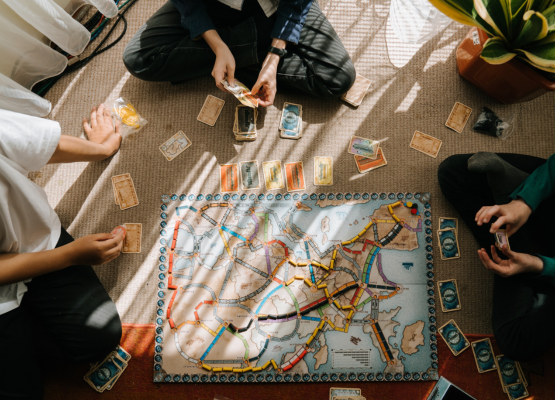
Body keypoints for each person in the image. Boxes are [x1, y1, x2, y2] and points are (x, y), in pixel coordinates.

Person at [0, 105, 125, 399]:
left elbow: (38, 143)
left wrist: (102, 148)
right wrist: (71, 256)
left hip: (34, 240)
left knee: (98, 337)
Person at [437, 134, 555, 361]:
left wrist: (539, 265)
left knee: (517, 343)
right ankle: (510, 210)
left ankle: (507, 229)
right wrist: (523, 203)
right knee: (453, 172)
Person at [122, 0, 356, 106]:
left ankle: (241, 55)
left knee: (338, 78)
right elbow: (188, 5)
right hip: (212, 7)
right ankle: (240, 52)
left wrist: (274, 56)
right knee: (140, 59)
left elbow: (296, 4)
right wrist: (217, 46)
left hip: (279, 7)